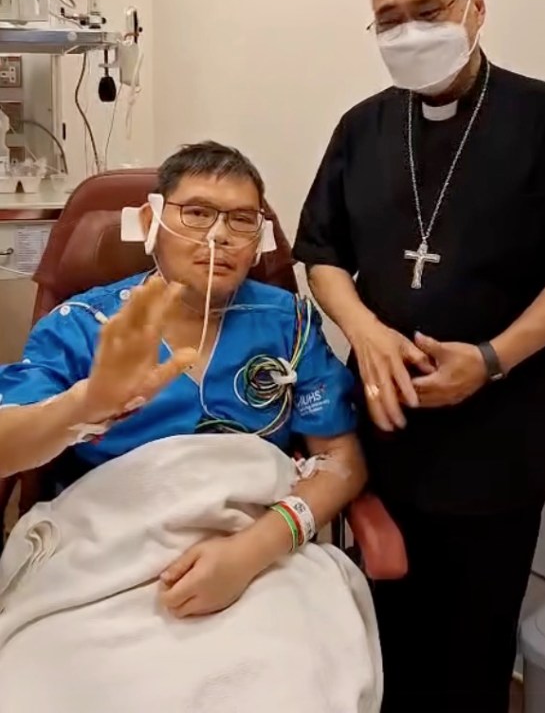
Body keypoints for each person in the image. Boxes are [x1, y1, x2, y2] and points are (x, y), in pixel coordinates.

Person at [0, 141, 381, 713]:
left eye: (241, 220)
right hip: (103, 556)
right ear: (152, 221)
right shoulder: (84, 326)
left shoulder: (290, 326)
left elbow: (341, 461)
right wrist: (82, 406)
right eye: (197, 213)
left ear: (260, 242)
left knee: (289, 687)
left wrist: (254, 550)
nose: (218, 236)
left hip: (258, 552)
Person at [294, 0, 545, 713]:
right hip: (384, 425)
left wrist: (493, 357)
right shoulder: (361, 127)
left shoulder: (540, 118)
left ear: (475, 7)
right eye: (387, 18)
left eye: (425, 10)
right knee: (385, 637)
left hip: (500, 433)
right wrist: (364, 330)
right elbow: (320, 251)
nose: (407, 32)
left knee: (473, 648)